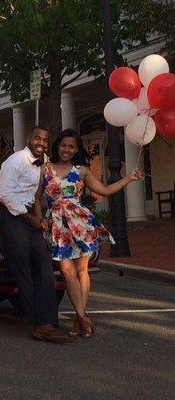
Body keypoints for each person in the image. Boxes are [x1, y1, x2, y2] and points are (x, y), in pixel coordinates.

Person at [33, 128, 143, 338]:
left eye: (71, 147)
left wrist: (128, 179)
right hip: (56, 223)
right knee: (66, 271)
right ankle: (84, 318)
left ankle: (79, 319)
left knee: (81, 271)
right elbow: (37, 197)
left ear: (76, 150)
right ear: (57, 146)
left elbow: (104, 190)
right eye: (63, 145)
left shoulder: (81, 170)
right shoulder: (45, 169)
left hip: (80, 223)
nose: (66, 149)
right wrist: (40, 220)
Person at [0, 126, 72, 343]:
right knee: (24, 269)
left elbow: (39, 194)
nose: (41, 143)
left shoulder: (43, 162)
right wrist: (29, 218)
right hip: (10, 215)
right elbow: (4, 194)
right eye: (37, 138)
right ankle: (39, 325)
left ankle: (49, 321)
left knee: (44, 266)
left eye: (45, 140)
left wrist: (41, 218)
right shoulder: (16, 160)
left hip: (31, 216)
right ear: (29, 138)